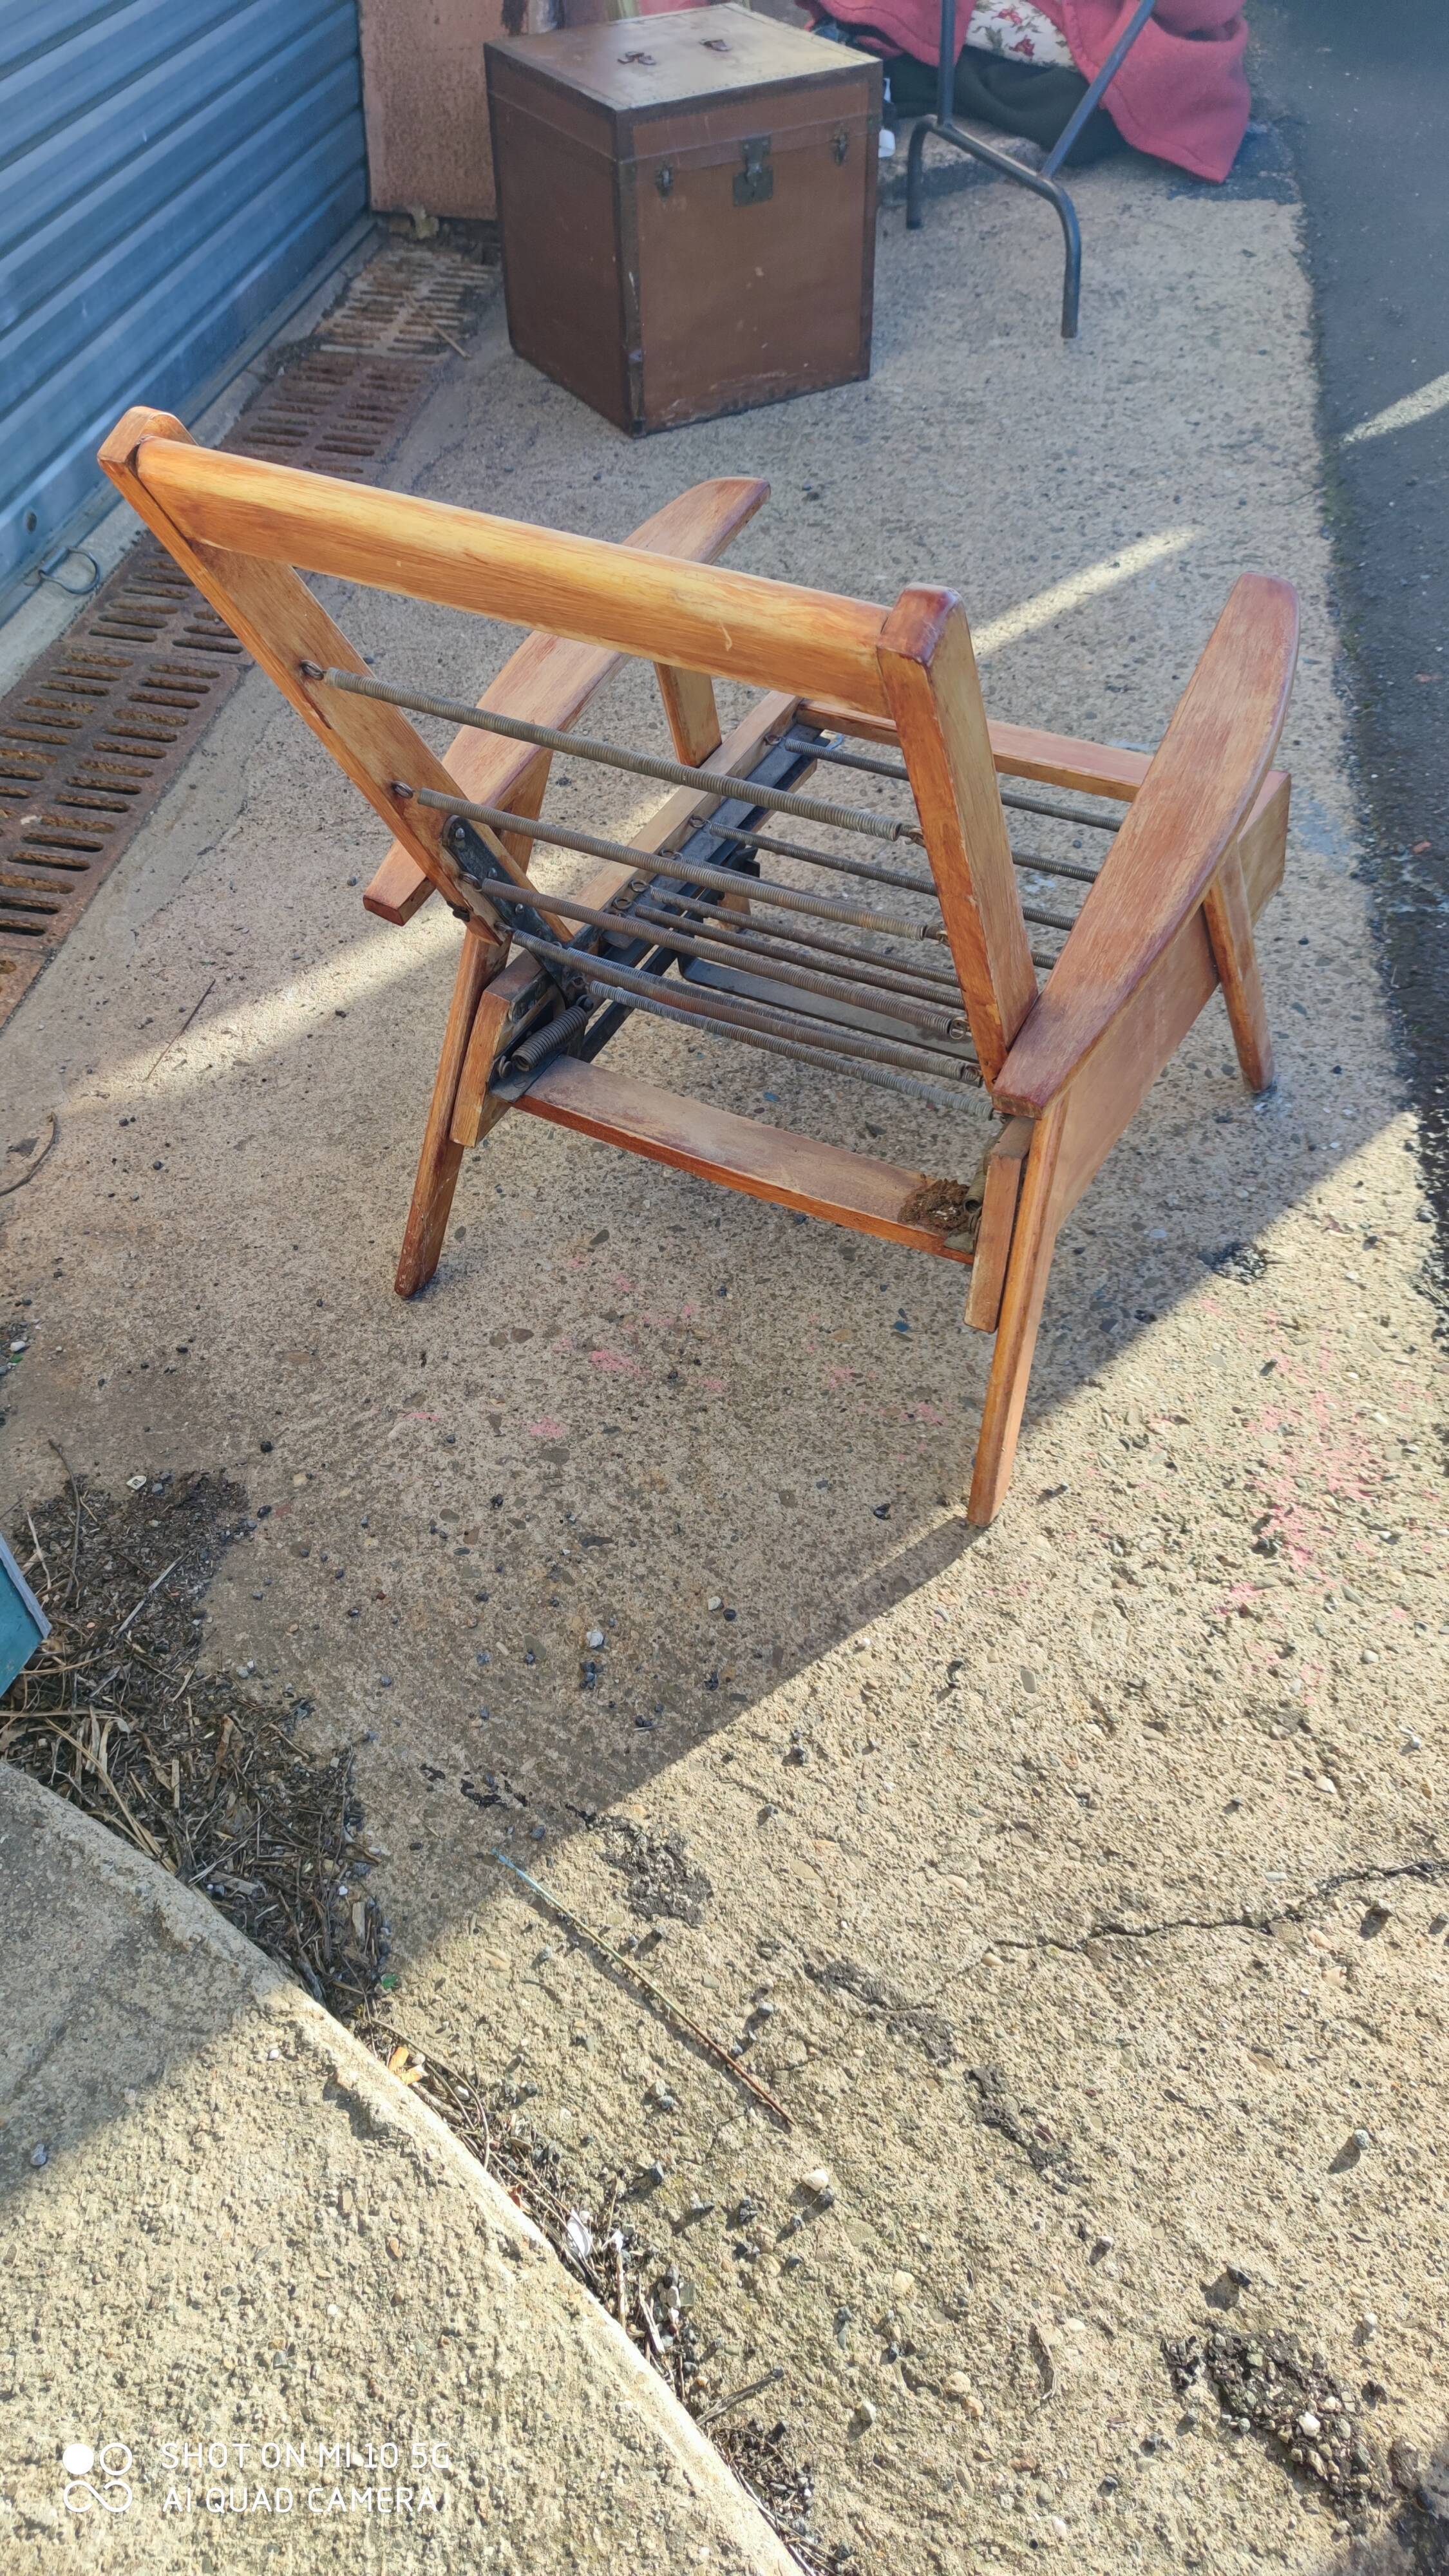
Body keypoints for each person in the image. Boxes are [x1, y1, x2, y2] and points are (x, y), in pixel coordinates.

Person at [809, 0, 1253, 185]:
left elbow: (1199, 10)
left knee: (1080, 118)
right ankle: (875, 52)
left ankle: (885, 63)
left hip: (1108, 33)